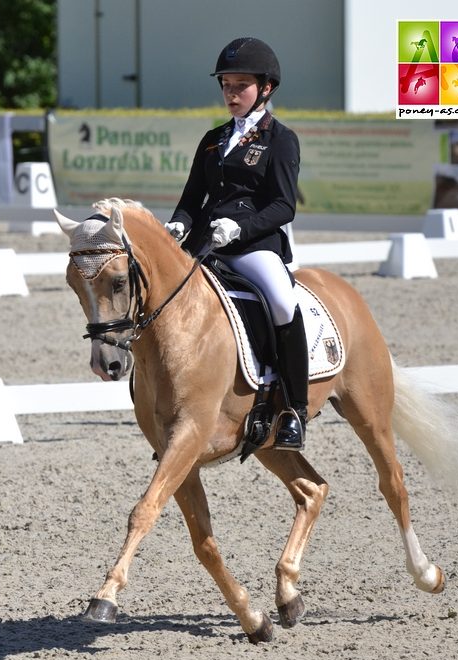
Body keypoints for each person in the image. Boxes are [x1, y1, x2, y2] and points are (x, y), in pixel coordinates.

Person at [165, 37, 308, 450]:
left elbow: (283, 206)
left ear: (265, 88)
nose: (231, 92)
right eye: (226, 84)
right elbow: (192, 199)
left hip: (254, 244)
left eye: (240, 84)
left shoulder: (281, 139)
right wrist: (177, 226)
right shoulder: (212, 139)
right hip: (207, 242)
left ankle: (295, 409)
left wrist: (240, 229)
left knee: (282, 300)